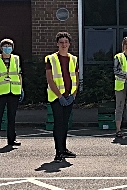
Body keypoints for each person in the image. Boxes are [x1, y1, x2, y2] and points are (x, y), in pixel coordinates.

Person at [45, 32, 79, 162]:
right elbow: (50, 79)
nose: (64, 44)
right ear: (57, 44)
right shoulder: (51, 58)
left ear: (69, 44)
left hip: (69, 97)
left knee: (65, 124)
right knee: (58, 124)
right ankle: (58, 152)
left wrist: (73, 95)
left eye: (66, 42)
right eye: (61, 42)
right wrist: (60, 96)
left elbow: (76, 78)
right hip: (56, 97)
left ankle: (64, 149)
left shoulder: (73, 59)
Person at [0, 38, 23, 149]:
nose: (7, 48)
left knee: (11, 117)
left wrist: (21, 89)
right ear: (1, 48)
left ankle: (11, 139)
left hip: (13, 91)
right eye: (5, 46)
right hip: (0, 92)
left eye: (9, 46)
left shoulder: (16, 59)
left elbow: (19, 74)